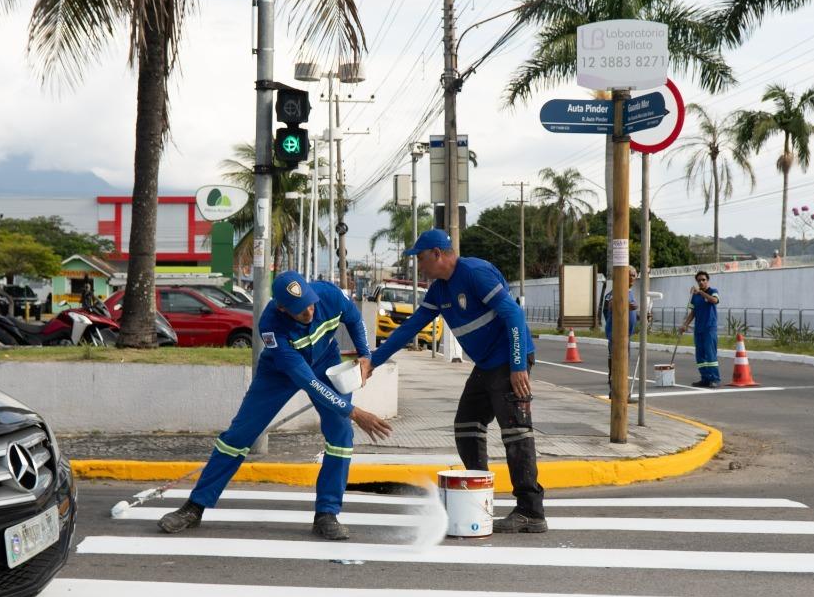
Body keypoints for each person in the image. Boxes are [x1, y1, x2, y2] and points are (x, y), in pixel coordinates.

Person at [157, 270, 393, 540]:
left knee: (341, 435)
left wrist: (365, 355)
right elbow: (305, 380)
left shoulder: (328, 294)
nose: (309, 311)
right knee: (238, 436)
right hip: (281, 372)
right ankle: (195, 507)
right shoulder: (270, 325)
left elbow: (353, 318)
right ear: (282, 307)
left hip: (325, 361)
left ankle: (327, 513)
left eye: (310, 302)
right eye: (300, 309)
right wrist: (354, 412)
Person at [369, 229, 546, 533]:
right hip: (487, 364)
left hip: (509, 360)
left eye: (421, 259)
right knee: (467, 425)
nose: (419, 267)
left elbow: (514, 316)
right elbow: (408, 328)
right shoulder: (439, 290)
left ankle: (531, 510)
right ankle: (478, 496)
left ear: (438, 254)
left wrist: (518, 366)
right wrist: (372, 361)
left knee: (516, 432)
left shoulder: (475, 273)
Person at [679, 270, 721, 387]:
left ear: (707, 281)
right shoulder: (695, 296)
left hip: (709, 328)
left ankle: (715, 379)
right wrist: (685, 324)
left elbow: (714, 301)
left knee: (710, 354)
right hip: (699, 329)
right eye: (699, 280)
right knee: (700, 355)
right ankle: (705, 378)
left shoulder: (713, 291)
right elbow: (693, 312)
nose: (701, 282)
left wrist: (701, 293)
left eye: (703, 280)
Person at [602, 266, 639, 391]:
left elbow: (632, 313)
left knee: (624, 360)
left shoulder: (629, 292)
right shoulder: (616, 292)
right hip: (617, 334)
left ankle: (620, 386)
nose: (633, 278)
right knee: (616, 359)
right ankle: (615, 386)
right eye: (630, 274)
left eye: (634, 275)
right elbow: (610, 306)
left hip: (627, 335)